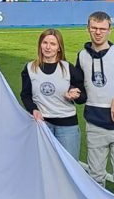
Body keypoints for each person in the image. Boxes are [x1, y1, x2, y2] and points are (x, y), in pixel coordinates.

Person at [75, 11, 114, 199]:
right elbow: (82, 92)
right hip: (95, 125)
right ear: (87, 29)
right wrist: (74, 93)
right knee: (95, 177)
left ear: (110, 30)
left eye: (102, 29)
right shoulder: (81, 56)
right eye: (94, 28)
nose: (98, 33)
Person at [20, 29, 85, 158]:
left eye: (53, 44)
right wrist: (33, 110)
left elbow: (83, 96)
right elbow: (25, 95)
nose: (48, 47)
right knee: (43, 165)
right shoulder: (30, 68)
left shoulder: (68, 68)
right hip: (42, 124)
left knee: (69, 167)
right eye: (45, 43)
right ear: (40, 45)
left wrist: (76, 95)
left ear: (59, 48)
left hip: (67, 126)